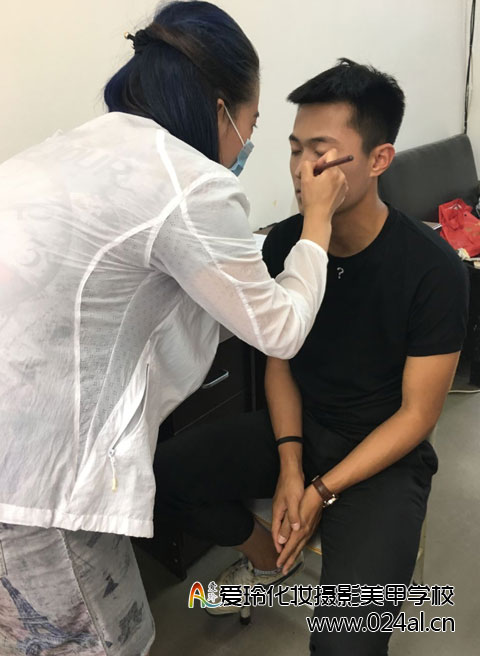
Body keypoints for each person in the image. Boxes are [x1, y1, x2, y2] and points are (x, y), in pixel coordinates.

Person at [0, 2, 347, 654]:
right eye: (258, 127)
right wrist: (319, 222)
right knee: (102, 641)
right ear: (222, 110)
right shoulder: (189, 186)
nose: (297, 165)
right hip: (30, 478)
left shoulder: (80, 148)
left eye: (321, 156)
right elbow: (279, 333)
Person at [156, 59, 469, 655]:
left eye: (321, 154)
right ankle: (268, 560)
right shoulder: (286, 243)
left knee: (346, 643)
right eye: (295, 150)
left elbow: (417, 416)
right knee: (163, 477)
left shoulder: (433, 270)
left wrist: (319, 491)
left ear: (378, 160)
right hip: (302, 428)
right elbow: (281, 359)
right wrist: (291, 465)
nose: (303, 171)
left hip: (382, 458)